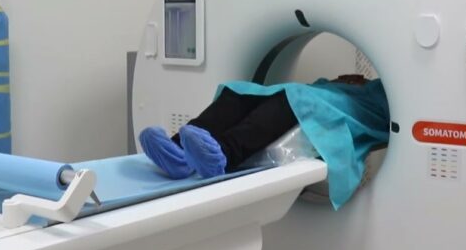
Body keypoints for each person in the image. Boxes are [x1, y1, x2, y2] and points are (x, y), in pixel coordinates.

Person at [139, 75, 389, 181]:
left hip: (347, 106)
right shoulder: (337, 84)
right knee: (240, 92)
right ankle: (178, 153)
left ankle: (223, 156)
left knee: (294, 97)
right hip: (322, 93)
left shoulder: (387, 92)